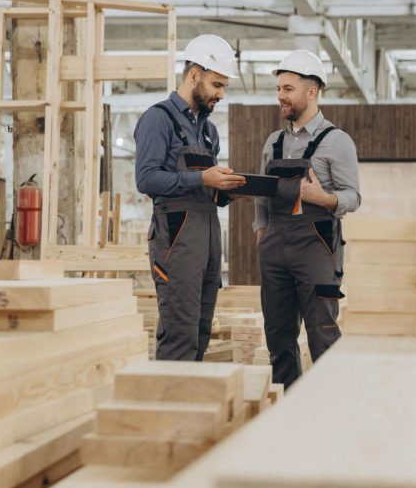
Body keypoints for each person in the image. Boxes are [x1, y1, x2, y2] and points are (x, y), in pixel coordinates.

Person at [134, 34, 246, 361]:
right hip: (175, 240)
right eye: (216, 85)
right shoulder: (158, 119)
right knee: (180, 332)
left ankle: (191, 407)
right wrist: (202, 177)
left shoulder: (208, 131)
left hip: (207, 237)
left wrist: (226, 189)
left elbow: (202, 189)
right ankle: (170, 408)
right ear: (194, 75)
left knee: (200, 332)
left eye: (224, 86)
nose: (221, 94)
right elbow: (146, 179)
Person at [255, 50, 361, 387]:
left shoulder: (337, 142)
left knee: (323, 335)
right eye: (278, 90)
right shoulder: (274, 142)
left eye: (287, 89)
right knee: (279, 338)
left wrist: (323, 198)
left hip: (316, 249)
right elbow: (263, 195)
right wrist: (261, 231)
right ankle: (290, 412)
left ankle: (334, 409)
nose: (280, 96)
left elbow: (353, 197)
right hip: (274, 248)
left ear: (311, 92)